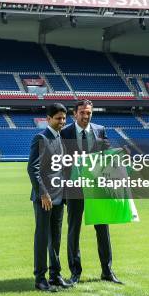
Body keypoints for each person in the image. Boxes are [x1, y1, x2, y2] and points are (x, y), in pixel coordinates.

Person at [60, 99, 123, 285]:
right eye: (82, 113)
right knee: (74, 230)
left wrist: (111, 153)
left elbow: (107, 156)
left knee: (103, 229)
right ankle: (75, 273)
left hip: (97, 188)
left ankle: (107, 271)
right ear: (74, 114)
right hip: (74, 188)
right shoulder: (64, 133)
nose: (86, 116)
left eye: (89, 113)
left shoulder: (100, 130)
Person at [26, 103, 73, 291]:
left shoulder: (61, 138)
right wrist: (43, 193)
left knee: (56, 238)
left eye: (63, 118)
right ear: (48, 119)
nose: (62, 122)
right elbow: (33, 169)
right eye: (58, 118)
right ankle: (40, 278)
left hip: (59, 197)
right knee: (43, 238)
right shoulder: (41, 137)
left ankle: (55, 275)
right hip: (44, 198)